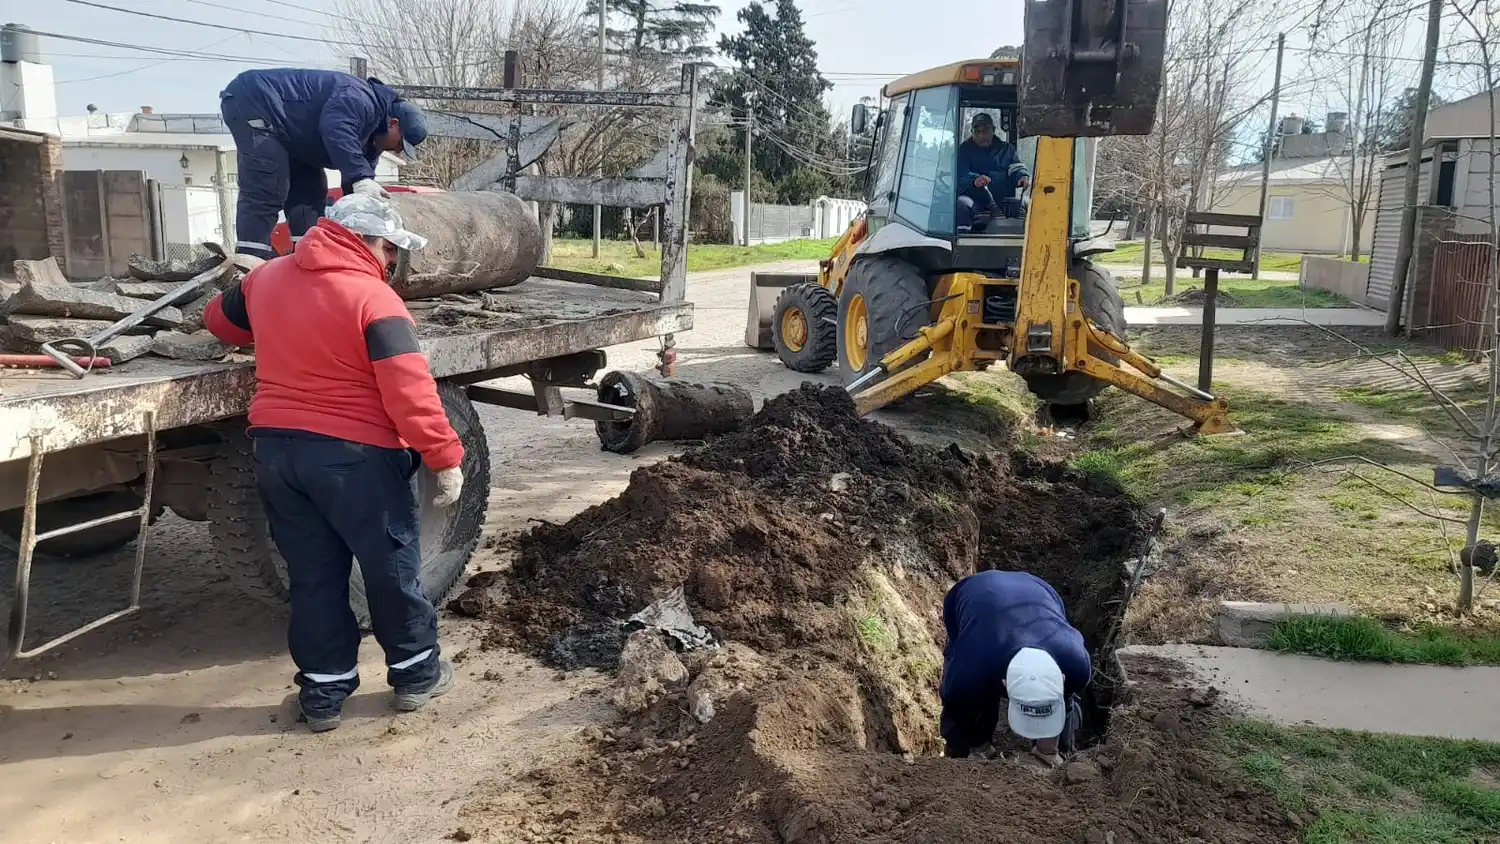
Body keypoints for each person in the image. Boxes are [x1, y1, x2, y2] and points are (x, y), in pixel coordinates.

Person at [204, 194, 463, 733]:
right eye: (389, 248)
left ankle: (322, 694)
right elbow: (409, 393)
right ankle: (416, 677)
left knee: (314, 576)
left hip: (279, 454)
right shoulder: (377, 300)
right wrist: (444, 455)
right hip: (356, 458)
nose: (390, 260)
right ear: (370, 243)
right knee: (390, 570)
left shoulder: (266, 280)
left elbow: (219, 323)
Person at [219, 68, 428, 260]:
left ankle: (307, 257)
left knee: (311, 192)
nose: (397, 150)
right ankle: (252, 259)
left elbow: (355, 188)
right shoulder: (361, 99)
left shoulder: (372, 142)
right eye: (400, 143)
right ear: (393, 124)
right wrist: (360, 177)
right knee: (268, 183)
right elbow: (336, 128)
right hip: (257, 101)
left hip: (296, 136)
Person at [939, 569, 1091, 766]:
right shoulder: (970, 669)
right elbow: (957, 705)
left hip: (1040, 591)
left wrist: (1049, 751)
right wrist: (978, 747)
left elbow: (1066, 700)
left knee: (1060, 739)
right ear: (1004, 684)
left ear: (1062, 678)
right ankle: (961, 753)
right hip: (973, 593)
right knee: (972, 703)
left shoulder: (1076, 665)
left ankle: (1058, 751)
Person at [956, 112, 1030, 231]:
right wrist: (974, 180)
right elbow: (960, 174)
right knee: (962, 204)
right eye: (977, 132)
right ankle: (962, 240)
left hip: (1003, 201)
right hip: (975, 200)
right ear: (972, 132)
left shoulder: (1007, 149)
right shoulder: (963, 150)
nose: (981, 135)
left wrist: (1022, 177)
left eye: (985, 131)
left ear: (993, 130)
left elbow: (1015, 167)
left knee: (1030, 205)